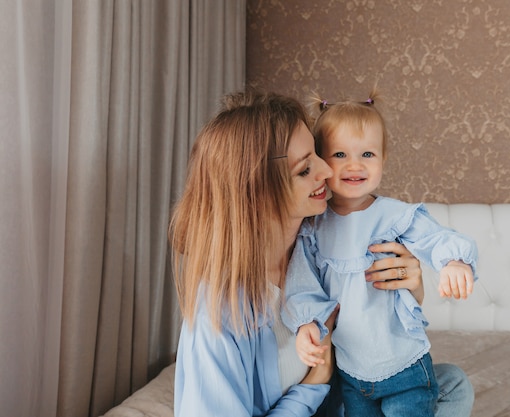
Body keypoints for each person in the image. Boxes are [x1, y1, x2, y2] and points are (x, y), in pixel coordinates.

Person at [169, 89, 475, 416]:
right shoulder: (221, 311)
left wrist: (412, 287)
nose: (327, 172)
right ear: (257, 194)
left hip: (347, 398)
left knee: (452, 383)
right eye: (304, 170)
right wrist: (315, 381)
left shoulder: (322, 242)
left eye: (317, 154)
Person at [281, 91, 478, 417]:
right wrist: (306, 325)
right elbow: (302, 283)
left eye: (367, 154)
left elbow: (435, 239)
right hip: (352, 371)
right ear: (320, 160)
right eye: (340, 153)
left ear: (383, 160)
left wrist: (454, 261)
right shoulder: (314, 228)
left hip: (404, 365)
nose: (354, 165)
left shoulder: (395, 216)